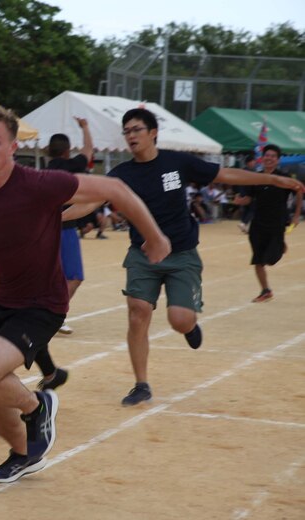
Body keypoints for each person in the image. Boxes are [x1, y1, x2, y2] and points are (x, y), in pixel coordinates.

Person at [0, 107, 171, 483]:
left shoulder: (38, 183)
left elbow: (116, 189)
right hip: (1, 299)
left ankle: (37, 408)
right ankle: (24, 450)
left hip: (42, 302)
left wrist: (154, 237)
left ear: (12, 148)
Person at [65, 108, 304, 407]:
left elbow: (226, 173)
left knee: (179, 319)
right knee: (138, 312)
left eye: (136, 129)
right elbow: (90, 202)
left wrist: (271, 179)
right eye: (127, 131)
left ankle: (189, 327)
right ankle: (141, 384)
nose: (131, 136)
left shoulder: (178, 162)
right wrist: (54, 217)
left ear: (153, 132)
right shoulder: (121, 175)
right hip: (143, 254)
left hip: (181, 254)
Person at [233, 144, 302, 303]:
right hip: (258, 223)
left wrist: (296, 215)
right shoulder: (256, 178)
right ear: (262, 158)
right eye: (267, 155)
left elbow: (299, 190)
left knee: (272, 258)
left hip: (277, 222)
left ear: (277, 160)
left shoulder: (283, 178)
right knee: (258, 260)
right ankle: (265, 290)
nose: (269, 158)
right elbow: (249, 199)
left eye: (272, 156)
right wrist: (240, 201)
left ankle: (279, 245)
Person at [47, 117, 94, 335]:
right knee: (74, 276)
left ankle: (47, 313)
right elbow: (88, 150)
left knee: (49, 276)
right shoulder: (72, 166)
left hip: (43, 229)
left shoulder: (44, 171)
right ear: (67, 151)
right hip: (65, 229)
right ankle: (56, 315)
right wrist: (84, 127)